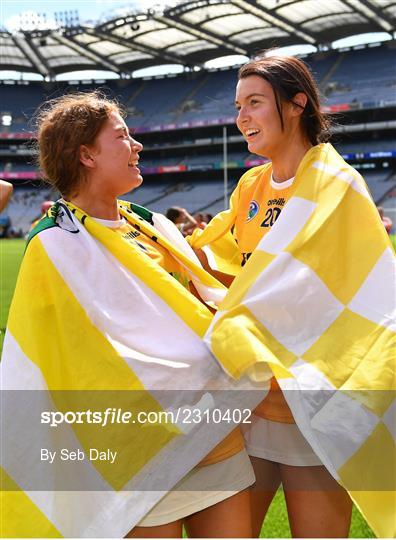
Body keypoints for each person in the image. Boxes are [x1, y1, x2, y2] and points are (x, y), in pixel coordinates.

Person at [4, 92, 255, 538]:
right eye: (122, 136)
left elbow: (208, 308)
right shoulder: (53, 245)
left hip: (213, 438)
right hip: (138, 449)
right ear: (86, 155)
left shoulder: (155, 225)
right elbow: (78, 365)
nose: (137, 146)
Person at [189, 54, 360, 538]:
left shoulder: (335, 185)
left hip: (315, 407)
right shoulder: (251, 186)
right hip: (250, 403)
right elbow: (224, 267)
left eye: (255, 102)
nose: (242, 117)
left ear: (296, 104)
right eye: (238, 105)